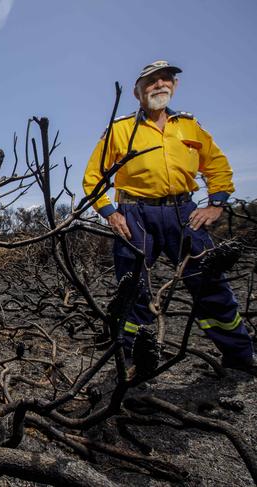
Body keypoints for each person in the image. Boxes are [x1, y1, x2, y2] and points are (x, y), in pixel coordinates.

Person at [82, 60, 255, 375]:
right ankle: (133, 363)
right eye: (151, 81)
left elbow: (217, 166)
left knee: (209, 280)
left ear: (173, 87)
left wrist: (216, 203)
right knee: (132, 288)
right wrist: (109, 213)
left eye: (166, 80)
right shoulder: (121, 129)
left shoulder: (189, 126)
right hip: (134, 213)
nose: (159, 85)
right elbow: (93, 178)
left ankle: (240, 355)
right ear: (138, 93)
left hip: (183, 212)